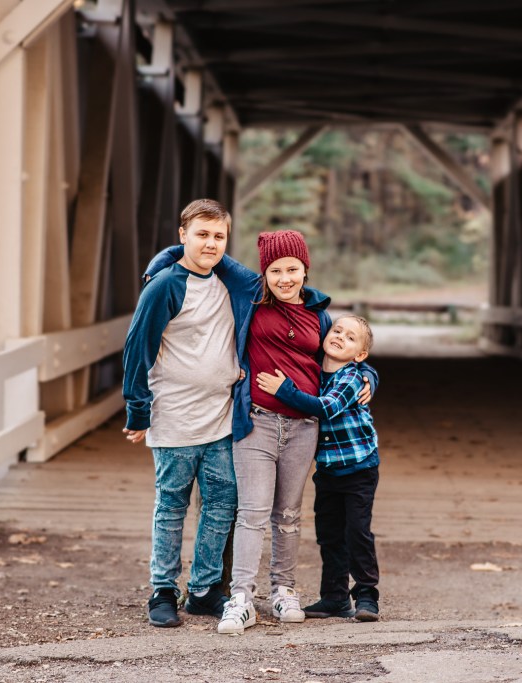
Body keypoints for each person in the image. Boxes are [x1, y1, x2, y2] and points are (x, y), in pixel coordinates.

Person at [144, 230, 376, 635]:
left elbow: (345, 357)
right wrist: (154, 272)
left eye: (293, 269)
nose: (284, 278)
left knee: (287, 515)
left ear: (305, 269)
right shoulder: (251, 294)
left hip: (304, 428)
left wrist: (371, 374)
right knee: (251, 515)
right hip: (257, 422)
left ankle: (284, 589)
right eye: (275, 270)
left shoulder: (319, 314)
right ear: (263, 272)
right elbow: (199, 251)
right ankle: (242, 597)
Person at [121, 199, 242, 628]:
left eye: (218, 236)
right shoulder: (165, 285)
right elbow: (138, 347)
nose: (210, 244)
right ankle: (163, 590)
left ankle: (206, 589)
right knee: (171, 504)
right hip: (174, 415)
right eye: (202, 234)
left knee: (222, 503)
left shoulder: (234, 283)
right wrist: (138, 411)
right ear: (182, 236)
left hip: (223, 415)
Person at [255, 314, 381, 622]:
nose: (340, 337)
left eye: (351, 338)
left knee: (356, 532)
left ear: (360, 355)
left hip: (358, 468)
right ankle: (335, 597)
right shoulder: (313, 369)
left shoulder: (352, 377)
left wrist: (284, 390)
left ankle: (367, 594)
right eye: (337, 330)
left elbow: (326, 407)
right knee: (329, 534)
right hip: (327, 470)